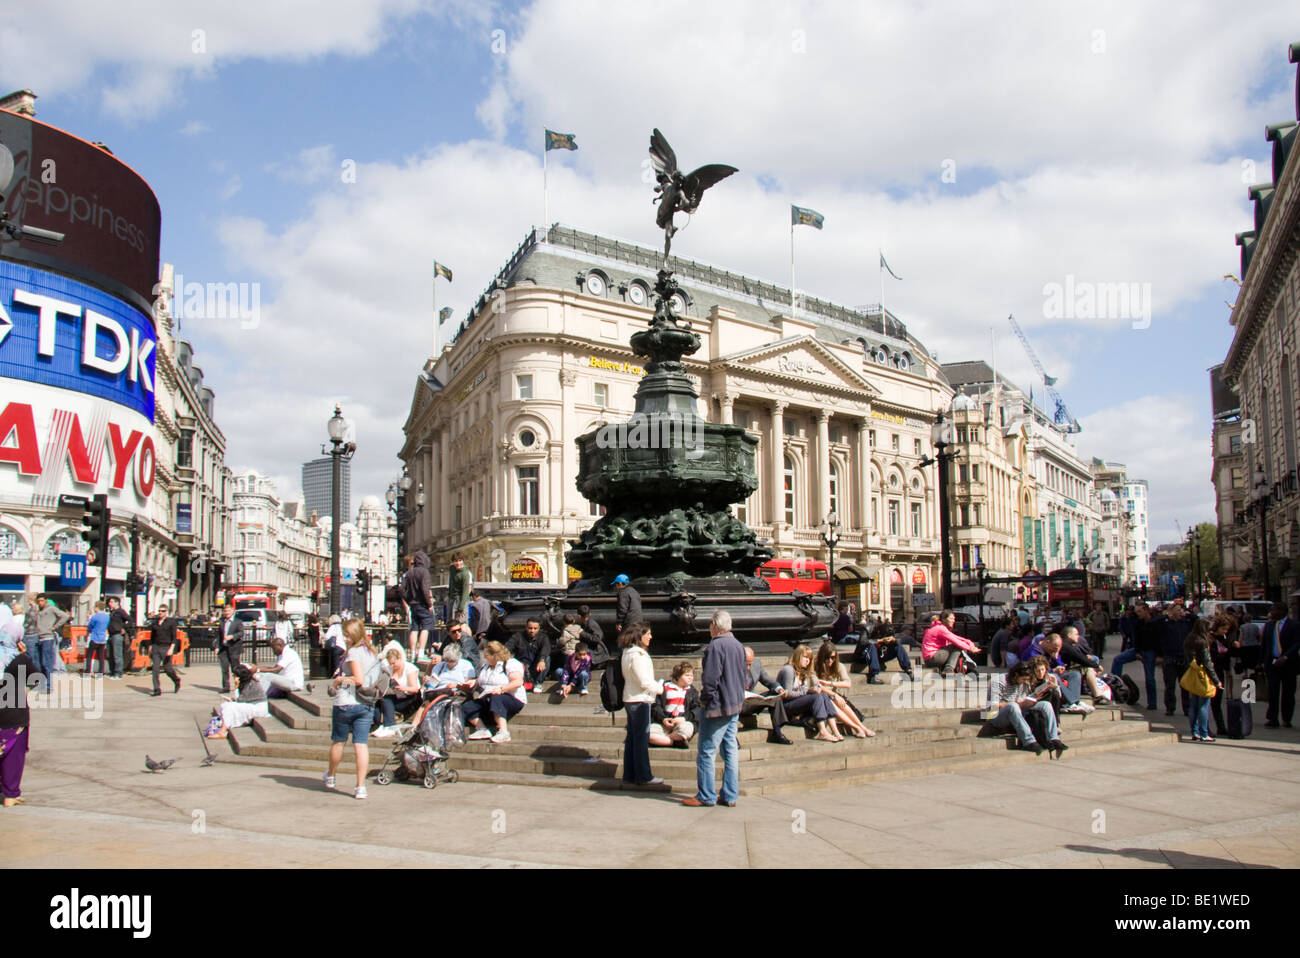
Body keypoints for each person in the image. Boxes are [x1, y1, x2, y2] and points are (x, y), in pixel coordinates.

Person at [683, 610, 745, 808]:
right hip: (735, 704)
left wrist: (705, 699)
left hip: (717, 707)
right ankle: (730, 794)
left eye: (710, 624)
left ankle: (706, 795)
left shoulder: (715, 646)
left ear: (714, 625)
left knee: (707, 751)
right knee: (730, 750)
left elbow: (710, 680)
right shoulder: (737, 645)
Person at [325, 619, 381, 799]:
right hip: (366, 704)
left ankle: (331, 776)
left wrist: (340, 680)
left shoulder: (355, 653)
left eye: (348, 635)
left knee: (339, 741)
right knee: (361, 745)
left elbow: (358, 679)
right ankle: (360, 786)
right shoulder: (370, 651)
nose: (345, 639)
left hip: (347, 701)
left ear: (355, 635)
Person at [984, 656, 1067, 756]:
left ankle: (1054, 738)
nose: (1024, 682)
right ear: (1015, 675)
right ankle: (1029, 741)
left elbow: (1024, 699)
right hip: (996, 715)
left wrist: (1034, 697)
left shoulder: (1026, 682)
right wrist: (1018, 703)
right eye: (1023, 679)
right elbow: (993, 705)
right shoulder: (999, 681)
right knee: (1013, 706)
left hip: (1019, 710)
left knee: (1046, 704)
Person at [619, 621, 663, 787]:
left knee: (632, 738)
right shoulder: (638, 656)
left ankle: (630, 773)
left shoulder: (627, 653)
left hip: (631, 697)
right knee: (641, 739)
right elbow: (644, 681)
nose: (651, 637)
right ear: (640, 636)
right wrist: (659, 688)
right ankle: (644, 775)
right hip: (640, 699)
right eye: (648, 634)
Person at [462, 640, 527, 744]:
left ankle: (503, 732)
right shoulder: (486, 665)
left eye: (487, 655)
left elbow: (517, 682)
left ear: (494, 655)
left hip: (510, 698)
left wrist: (501, 689)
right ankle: (482, 729)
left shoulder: (511, 663)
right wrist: (473, 682)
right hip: (487, 698)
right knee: (467, 706)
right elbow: (481, 681)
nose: (485, 657)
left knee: (496, 697)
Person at [1, 635, 39, 806]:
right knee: (13, 755)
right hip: (13, 712)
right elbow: (36, 678)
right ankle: (10, 794)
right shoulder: (18, 660)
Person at [775, 645, 841, 741]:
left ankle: (835, 730)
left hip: (798, 702)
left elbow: (807, 689)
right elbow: (787, 694)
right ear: (798, 657)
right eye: (805, 657)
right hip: (785, 706)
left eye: (809, 659)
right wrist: (807, 691)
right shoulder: (788, 670)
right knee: (816, 697)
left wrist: (814, 688)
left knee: (822, 694)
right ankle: (822, 731)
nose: (808, 661)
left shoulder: (804, 671)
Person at [813, 641, 875, 737]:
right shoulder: (815, 666)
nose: (830, 660)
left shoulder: (838, 666)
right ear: (822, 657)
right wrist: (834, 694)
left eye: (833, 658)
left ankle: (862, 728)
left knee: (841, 703)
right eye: (827, 658)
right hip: (823, 696)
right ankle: (857, 728)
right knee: (833, 702)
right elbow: (817, 686)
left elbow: (848, 683)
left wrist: (830, 683)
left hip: (834, 696)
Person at [741, 646, 792, 745]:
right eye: (746, 664)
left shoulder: (756, 664)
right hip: (736, 703)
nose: (748, 667)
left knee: (775, 695)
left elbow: (768, 681)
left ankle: (777, 732)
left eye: (750, 664)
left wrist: (779, 688)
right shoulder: (731, 666)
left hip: (751, 701)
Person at [1111, 602, 1159, 710]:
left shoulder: (1156, 622)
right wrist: (1137, 652)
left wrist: (1160, 655)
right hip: (1139, 649)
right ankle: (1115, 684)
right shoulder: (1137, 621)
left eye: (1140, 611)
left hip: (1150, 651)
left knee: (1150, 678)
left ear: (1146, 610)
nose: (1138, 614)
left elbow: (1160, 640)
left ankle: (1152, 703)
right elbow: (1135, 637)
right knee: (1118, 659)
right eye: (1136, 612)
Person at [1182, 618, 1223, 742]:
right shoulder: (1202, 642)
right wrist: (1216, 681)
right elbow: (1207, 663)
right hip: (1203, 675)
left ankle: (1195, 732)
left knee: (1193, 704)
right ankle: (1204, 733)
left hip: (1192, 673)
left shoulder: (1189, 639)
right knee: (1203, 705)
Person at [1263, 602, 1300, 729]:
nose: (1271, 613)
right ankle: (1272, 718)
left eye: (1273, 610)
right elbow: (1264, 645)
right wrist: (1259, 662)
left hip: (1289, 664)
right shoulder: (1269, 626)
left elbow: (1297, 643)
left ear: (1282, 611)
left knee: (1288, 692)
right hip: (1272, 663)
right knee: (1273, 691)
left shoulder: (1294, 625)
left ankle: (1287, 718)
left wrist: (1286, 656)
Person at [373, 644, 422, 738]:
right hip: (398, 696)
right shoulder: (389, 668)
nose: (392, 666)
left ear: (400, 658)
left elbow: (415, 689)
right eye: (390, 663)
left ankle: (390, 726)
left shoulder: (409, 668)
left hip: (411, 698)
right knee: (379, 700)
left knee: (387, 700)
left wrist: (404, 688)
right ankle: (380, 725)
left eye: (394, 663)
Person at [208, 665, 269, 736]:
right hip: (251, 704)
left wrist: (236, 688)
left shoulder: (251, 683)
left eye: (235, 675)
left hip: (258, 707)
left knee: (230, 708)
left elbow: (240, 700)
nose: (233, 677)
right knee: (225, 705)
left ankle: (223, 731)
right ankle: (222, 726)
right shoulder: (246, 682)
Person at [649, 661, 700, 747]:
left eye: (691, 676)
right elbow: (656, 706)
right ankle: (673, 742)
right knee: (649, 733)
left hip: (682, 722)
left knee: (687, 729)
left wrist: (684, 718)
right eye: (687, 675)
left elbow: (696, 709)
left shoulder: (692, 691)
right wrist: (663, 719)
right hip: (664, 722)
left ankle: (665, 739)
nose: (690, 678)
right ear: (678, 676)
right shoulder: (665, 687)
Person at [921, 610, 979, 675]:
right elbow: (957, 642)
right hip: (932, 659)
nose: (953, 621)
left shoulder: (938, 627)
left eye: (954, 619)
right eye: (951, 618)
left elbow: (956, 637)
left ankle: (971, 671)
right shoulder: (940, 629)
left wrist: (968, 642)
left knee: (956, 648)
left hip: (930, 659)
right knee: (956, 646)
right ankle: (948, 669)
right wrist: (971, 649)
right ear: (944, 619)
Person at [403, 551, 436, 661]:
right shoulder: (424, 572)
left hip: (413, 605)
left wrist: (409, 600)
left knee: (414, 628)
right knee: (426, 627)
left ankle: (412, 653)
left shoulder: (409, 573)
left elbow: (403, 590)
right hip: (423, 604)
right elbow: (425, 589)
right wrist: (429, 603)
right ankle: (421, 653)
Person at [33, 595, 70, 693]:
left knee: (47, 663)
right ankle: (42, 684)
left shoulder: (51, 609)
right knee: (40, 663)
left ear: (46, 600)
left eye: (41, 601)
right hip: (39, 638)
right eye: (38, 601)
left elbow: (65, 616)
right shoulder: (39, 611)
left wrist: (55, 627)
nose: (40, 603)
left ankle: (49, 686)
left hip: (48, 638)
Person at [250, 634, 305, 699]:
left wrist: (257, 669)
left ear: (280, 646)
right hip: (284, 680)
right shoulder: (281, 654)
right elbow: (273, 668)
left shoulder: (288, 653)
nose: (273, 652)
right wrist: (257, 668)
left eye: (274, 649)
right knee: (260, 675)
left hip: (293, 683)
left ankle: (258, 698)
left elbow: (276, 670)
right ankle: (252, 695)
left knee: (268, 676)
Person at [507, 618, 549, 692]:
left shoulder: (543, 637)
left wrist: (542, 660)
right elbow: (508, 647)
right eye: (530, 628)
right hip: (521, 665)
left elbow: (546, 649)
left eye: (535, 628)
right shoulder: (518, 636)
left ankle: (538, 683)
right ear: (526, 627)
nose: (532, 631)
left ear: (539, 628)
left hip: (536, 665)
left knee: (547, 658)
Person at [148, 605, 182, 696]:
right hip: (156, 647)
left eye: (162, 611)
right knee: (155, 669)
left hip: (166, 647)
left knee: (168, 669)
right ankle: (156, 689)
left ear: (166, 612)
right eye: (159, 611)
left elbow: (174, 637)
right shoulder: (155, 623)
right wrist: (150, 646)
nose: (160, 612)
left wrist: (171, 648)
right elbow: (152, 636)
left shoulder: (171, 622)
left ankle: (176, 680)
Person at [216, 604, 244, 693]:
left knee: (235, 668)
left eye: (228, 611)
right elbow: (218, 636)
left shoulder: (237, 622)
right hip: (223, 648)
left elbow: (241, 633)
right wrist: (216, 647)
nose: (227, 613)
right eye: (225, 611)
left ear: (233, 611)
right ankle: (225, 687)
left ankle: (239, 686)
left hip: (234, 648)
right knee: (224, 668)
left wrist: (232, 636)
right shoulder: (221, 622)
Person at [106, 596, 131, 679]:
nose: (110, 604)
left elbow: (130, 620)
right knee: (110, 655)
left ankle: (118, 673)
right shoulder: (112, 612)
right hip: (111, 635)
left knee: (117, 655)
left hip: (117, 635)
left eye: (111, 602)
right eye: (109, 602)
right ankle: (112, 672)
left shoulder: (120, 611)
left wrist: (124, 628)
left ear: (117, 603)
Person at [447, 553, 472, 625]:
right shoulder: (452, 569)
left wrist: (461, 607)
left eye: (460, 560)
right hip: (452, 599)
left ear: (463, 561)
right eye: (455, 561)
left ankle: (466, 636)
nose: (458, 563)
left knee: (461, 623)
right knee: (451, 623)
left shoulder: (465, 573)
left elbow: (466, 591)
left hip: (461, 600)